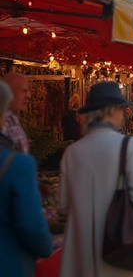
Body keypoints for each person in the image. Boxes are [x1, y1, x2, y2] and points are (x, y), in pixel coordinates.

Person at [59, 81, 133, 276]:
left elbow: (62, 204)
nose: (124, 113)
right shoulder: (129, 145)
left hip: (83, 251)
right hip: (119, 247)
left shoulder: (72, 152)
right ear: (111, 111)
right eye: (122, 109)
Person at [0, 81, 53, 276]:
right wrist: (46, 247)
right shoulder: (18, 164)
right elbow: (30, 225)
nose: (29, 95)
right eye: (24, 90)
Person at [1, 72, 30, 153]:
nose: (28, 95)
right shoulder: (4, 123)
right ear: (8, 91)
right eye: (24, 91)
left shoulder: (12, 119)